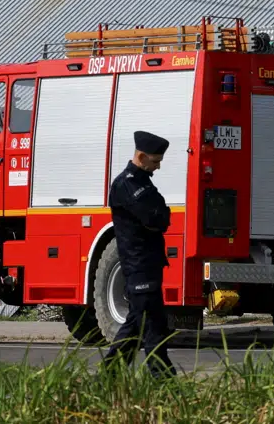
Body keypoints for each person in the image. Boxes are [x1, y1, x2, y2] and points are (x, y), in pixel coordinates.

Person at [104, 130, 176, 377]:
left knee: (141, 323)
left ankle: (111, 374)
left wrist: (160, 216)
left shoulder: (142, 182)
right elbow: (156, 218)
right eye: (155, 161)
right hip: (138, 264)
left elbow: (161, 216)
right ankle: (161, 377)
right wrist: (159, 216)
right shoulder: (126, 185)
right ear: (142, 157)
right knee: (150, 325)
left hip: (149, 263)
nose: (157, 167)